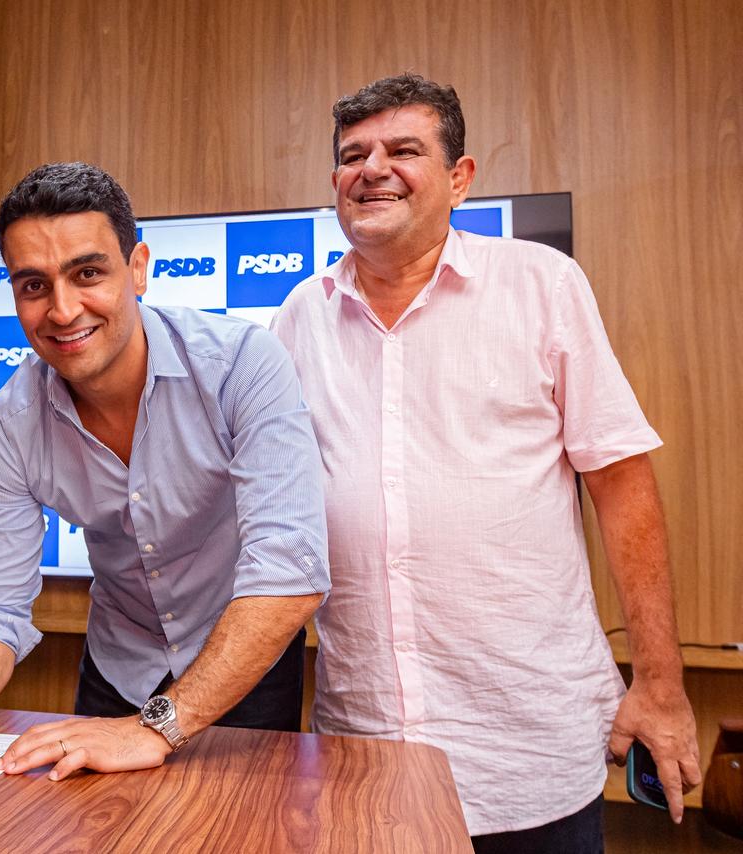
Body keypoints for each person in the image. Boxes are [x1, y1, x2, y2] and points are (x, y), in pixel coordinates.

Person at [271, 74, 701, 849]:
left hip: (528, 751)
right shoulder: (302, 314)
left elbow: (623, 485)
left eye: (404, 150)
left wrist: (661, 684)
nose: (372, 170)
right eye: (353, 155)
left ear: (460, 178)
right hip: (364, 745)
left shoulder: (541, 284)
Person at [0, 162, 329, 778]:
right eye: (33, 285)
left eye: (88, 273)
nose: (62, 310)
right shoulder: (11, 423)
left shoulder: (242, 363)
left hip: (242, 661)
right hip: (117, 665)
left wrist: (156, 728)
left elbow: (290, 566)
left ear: (138, 268)